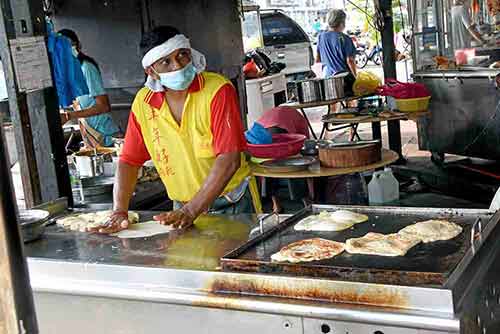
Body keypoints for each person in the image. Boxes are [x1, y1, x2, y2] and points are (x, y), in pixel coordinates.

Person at [94, 26, 261, 234]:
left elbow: (230, 159)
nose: (179, 65)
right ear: (151, 71)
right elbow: (129, 160)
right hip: (181, 208)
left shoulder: (218, 90)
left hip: (231, 205)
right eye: (166, 61)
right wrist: (119, 211)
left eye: (183, 55)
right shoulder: (143, 104)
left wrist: (191, 210)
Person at [58, 29, 121, 148]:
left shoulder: (86, 68)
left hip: (105, 137)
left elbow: (103, 106)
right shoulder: (72, 72)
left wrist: (69, 116)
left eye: (71, 45)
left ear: (78, 45)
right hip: (92, 138)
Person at [315, 9, 357, 81]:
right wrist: (356, 78)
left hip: (327, 78)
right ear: (342, 22)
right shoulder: (345, 39)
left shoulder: (321, 37)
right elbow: (350, 60)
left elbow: (317, 60)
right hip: (344, 80)